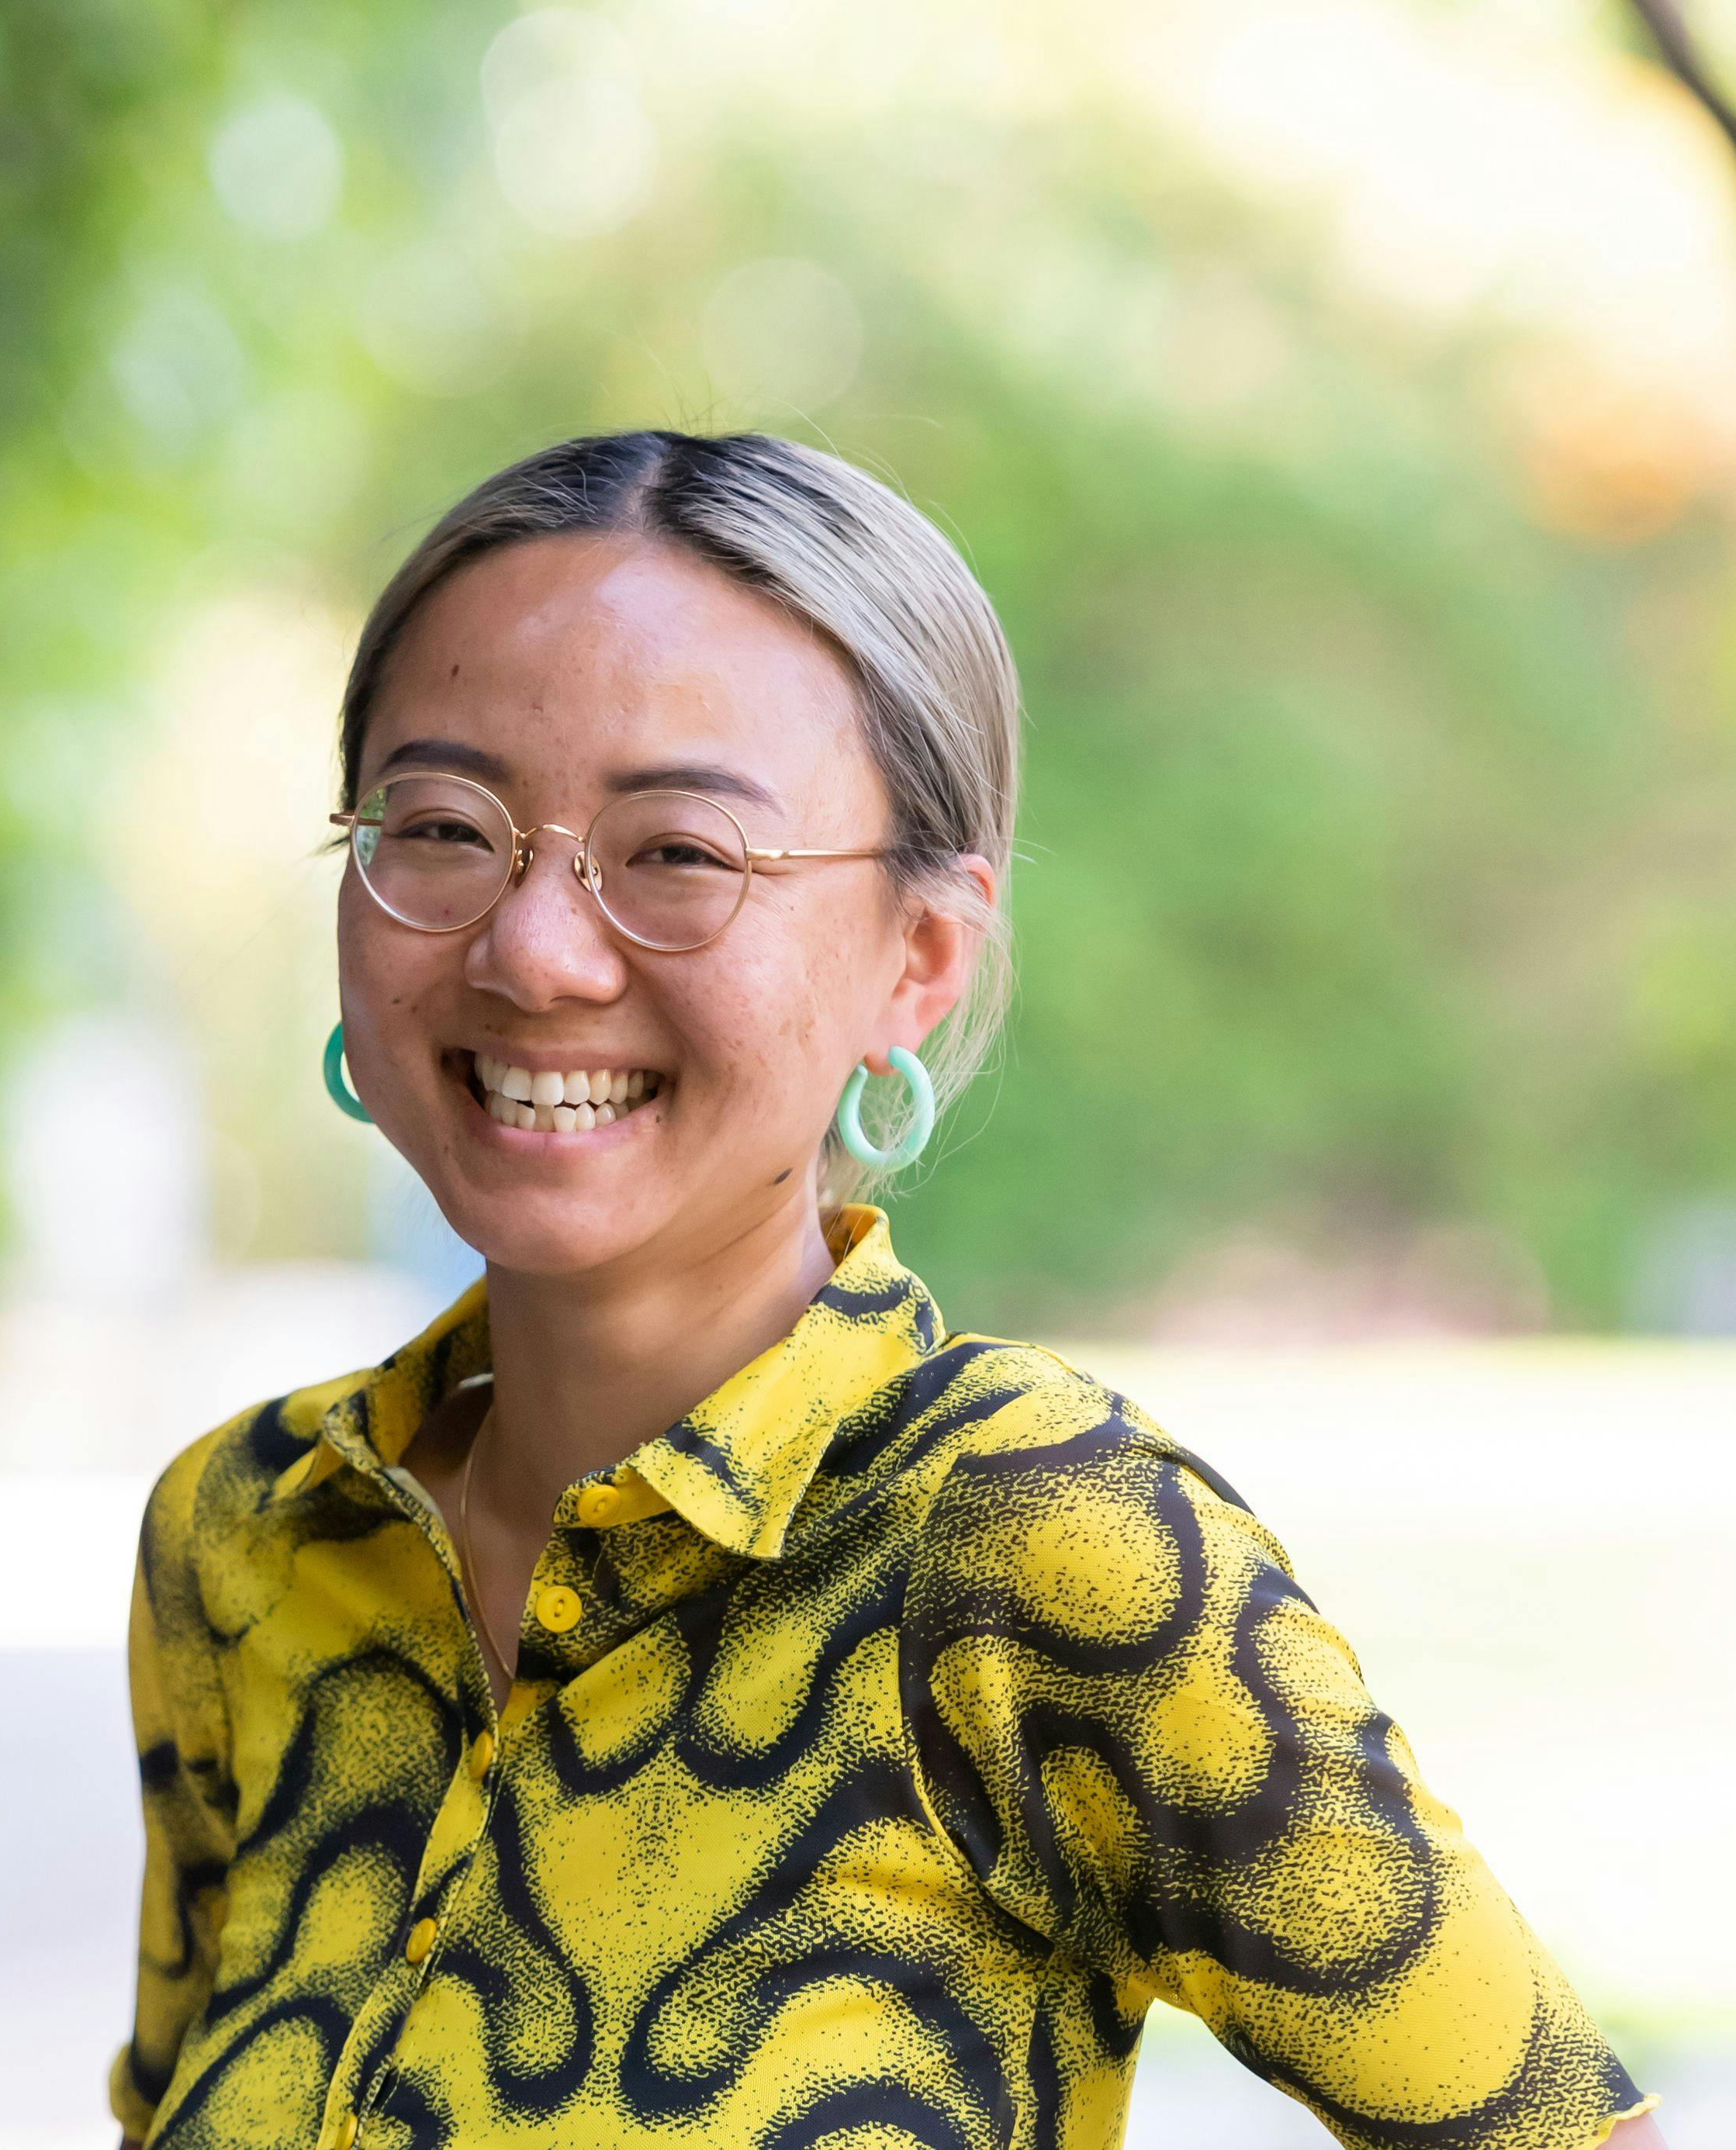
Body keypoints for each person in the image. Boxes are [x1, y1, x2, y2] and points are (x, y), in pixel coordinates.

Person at [109, 430, 1663, 2150]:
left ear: (916, 960)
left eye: (680, 853)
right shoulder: (246, 1537)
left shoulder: (1037, 1543)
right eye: (445, 828)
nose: (534, 950)